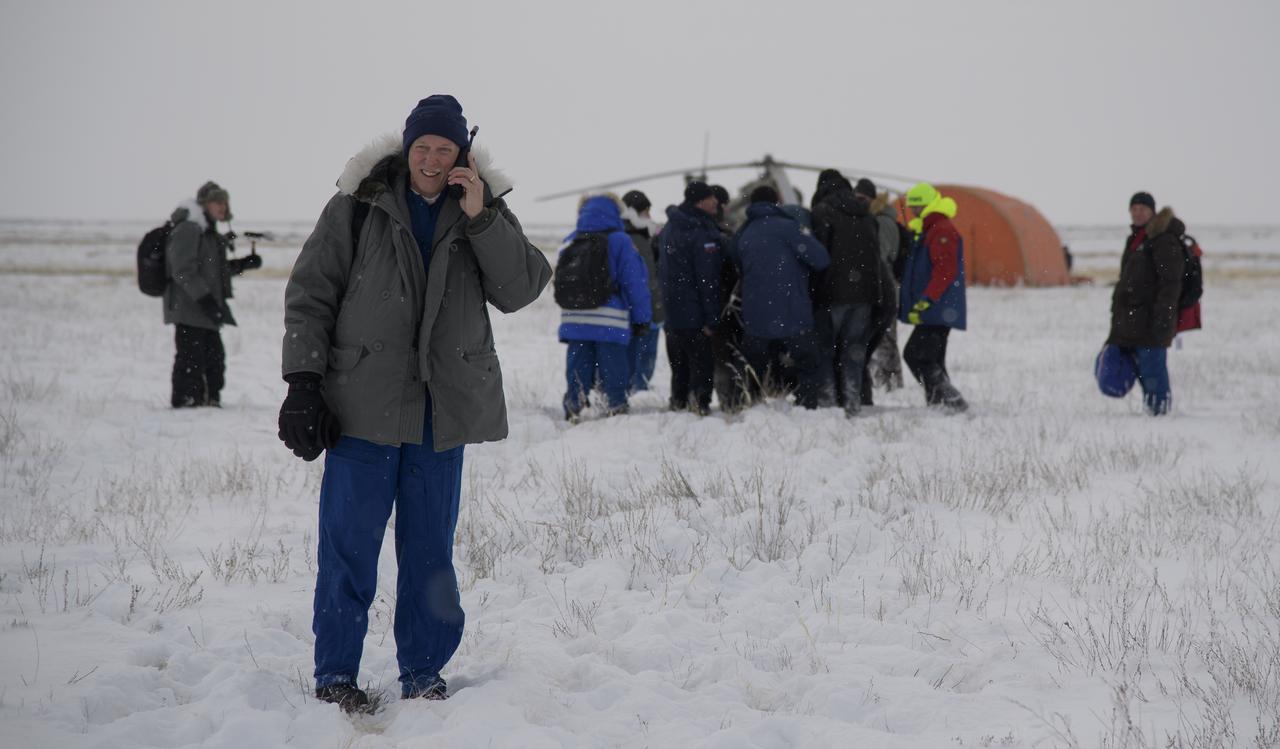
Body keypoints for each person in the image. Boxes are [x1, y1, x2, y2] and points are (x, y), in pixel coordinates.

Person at [277, 94, 551, 712]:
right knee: (348, 546)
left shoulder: (482, 207)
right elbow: (311, 292)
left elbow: (522, 288)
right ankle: (335, 675)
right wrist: (302, 381)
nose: (431, 159)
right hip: (362, 407)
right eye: (422, 147)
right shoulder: (358, 204)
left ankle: (423, 672)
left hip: (441, 412)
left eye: (444, 148)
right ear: (407, 148)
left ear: (462, 155)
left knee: (430, 552)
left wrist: (481, 216)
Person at [730, 185, 830, 409]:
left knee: (753, 367)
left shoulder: (744, 233)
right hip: (792, 310)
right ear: (777, 202)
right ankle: (807, 408)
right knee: (808, 362)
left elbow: (735, 262)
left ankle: (751, 407)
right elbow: (821, 259)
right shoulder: (790, 228)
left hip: (755, 314)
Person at [164, 181, 261, 408]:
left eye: (225, 202)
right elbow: (183, 270)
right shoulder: (189, 229)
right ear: (204, 204)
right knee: (191, 359)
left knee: (214, 360)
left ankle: (209, 400)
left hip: (205, 310)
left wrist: (242, 264)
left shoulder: (209, 232)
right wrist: (205, 299)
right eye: (217, 202)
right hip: (189, 309)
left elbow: (214, 271)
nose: (222, 207)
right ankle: (187, 403)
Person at [559, 194, 653, 419]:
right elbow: (635, 282)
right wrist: (642, 318)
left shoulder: (573, 239)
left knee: (578, 364)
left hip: (575, 317)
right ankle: (615, 405)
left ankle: (574, 404)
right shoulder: (620, 240)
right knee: (613, 366)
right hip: (609, 317)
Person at [810, 171, 884, 416]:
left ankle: (828, 405)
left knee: (825, 350)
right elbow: (876, 259)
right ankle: (852, 404)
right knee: (854, 350)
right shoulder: (868, 216)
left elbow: (818, 257)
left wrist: (814, 291)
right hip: (865, 295)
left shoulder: (822, 212)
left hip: (832, 294)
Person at [1106, 192, 1184, 415]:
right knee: (1139, 367)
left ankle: (1159, 413)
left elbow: (1171, 283)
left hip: (1153, 318)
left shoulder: (1163, 240)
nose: (1138, 212)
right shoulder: (1137, 239)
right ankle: (1153, 410)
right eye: (1134, 208)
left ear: (1152, 212)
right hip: (1133, 319)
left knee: (1152, 368)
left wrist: (1163, 315)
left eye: (1143, 208)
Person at [899, 182, 968, 412]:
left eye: (916, 208)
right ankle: (939, 403)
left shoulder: (941, 230)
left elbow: (944, 270)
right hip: (937, 306)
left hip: (938, 306)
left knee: (916, 355)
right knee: (932, 358)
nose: (913, 212)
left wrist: (927, 298)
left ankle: (951, 401)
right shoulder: (932, 229)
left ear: (926, 206)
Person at [659, 181, 724, 415]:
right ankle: (700, 407)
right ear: (699, 201)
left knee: (679, 368)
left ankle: (678, 403)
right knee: (701, 367)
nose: (715, 201)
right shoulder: (698, 231)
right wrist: (711, 319)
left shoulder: (670, 227)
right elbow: (707, 280)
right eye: (711, 198)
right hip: (694, 315)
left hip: (673, 314)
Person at [620, 190, 663, 392]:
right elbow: (647, 278)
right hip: (644, 308)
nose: (650, 216)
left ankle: (634, 385)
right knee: (643, 353)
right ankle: (638, 387)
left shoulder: (625, 235)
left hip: (634, 308)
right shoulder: (638, 238)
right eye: (647, 211)